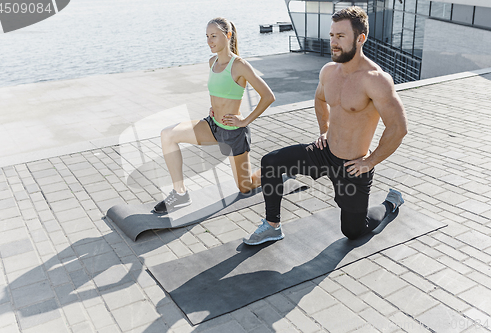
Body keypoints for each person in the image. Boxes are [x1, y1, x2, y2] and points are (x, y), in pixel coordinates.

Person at [243, 6, 408, 245]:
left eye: (341, 36)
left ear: (360, 39)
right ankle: (272, 226)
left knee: (353, 231)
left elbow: (398, 128)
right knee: (271, 162)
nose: (333, 42)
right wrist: (324, 130)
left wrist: (369, 162)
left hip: (352, 166)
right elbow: (320, 99)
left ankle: (390, 203)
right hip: (323, 152)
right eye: (332, 35)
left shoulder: (376, 80)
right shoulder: (329, 71)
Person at [154, 17, 275, 214]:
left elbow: (268, 96)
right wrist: (213, 108)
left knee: (246, 186)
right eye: (207, 36)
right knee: (168, 134)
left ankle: (278, 169)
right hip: (212, 126)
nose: (209, 41)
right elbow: (220, 92)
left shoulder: (239, 65)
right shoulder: (212, 62)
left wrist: (244, 121)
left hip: (234, 133)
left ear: (227, 36)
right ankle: (180, 193)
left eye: (214, 36)